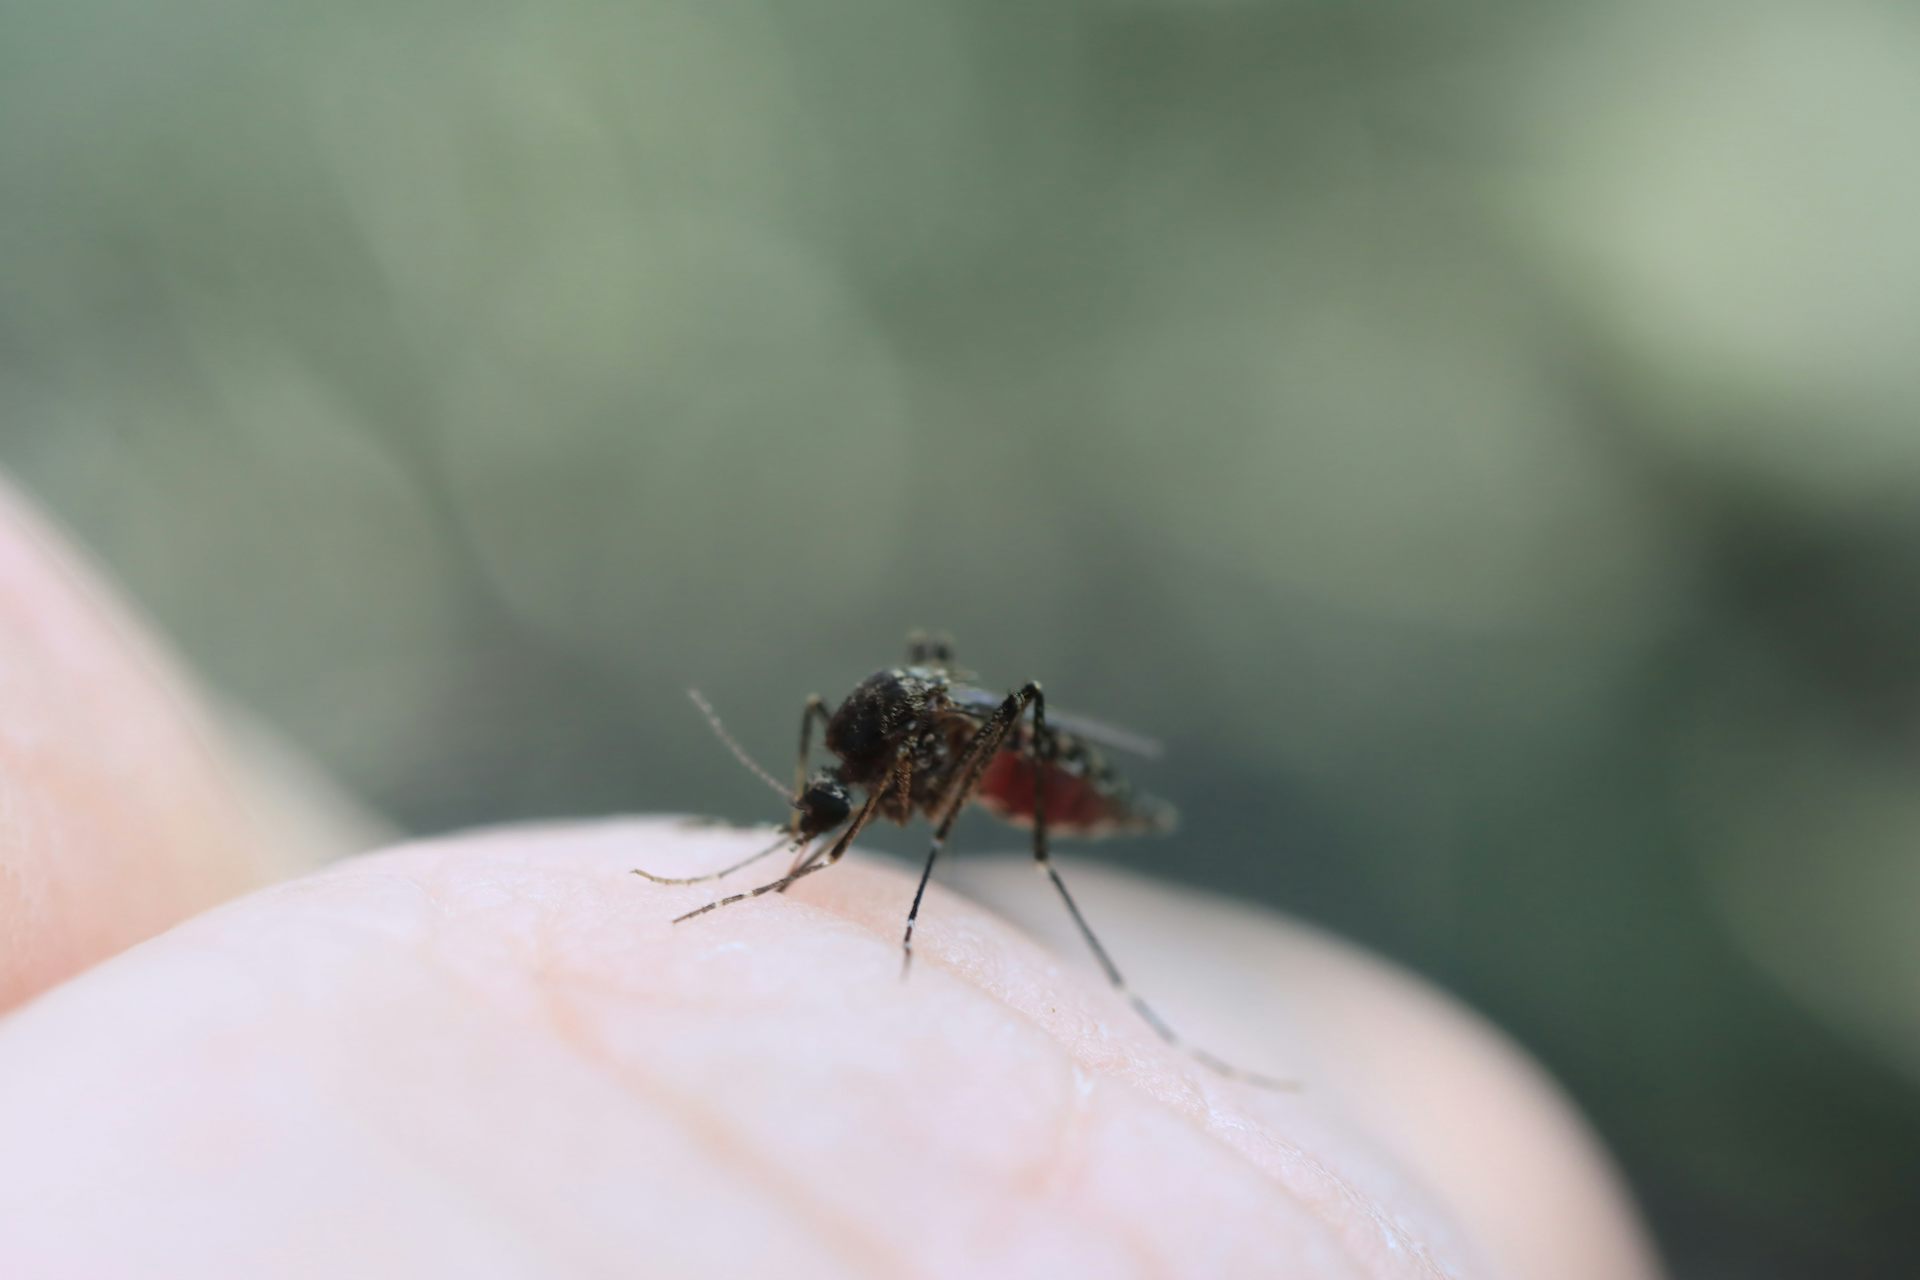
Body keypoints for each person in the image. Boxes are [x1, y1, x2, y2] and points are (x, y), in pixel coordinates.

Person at [0, 476, 1659, 1278]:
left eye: (818, 820)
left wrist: (942, 867)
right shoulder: (845, 752)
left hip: (1022, 774)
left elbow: (928, 756)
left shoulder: (915, 759)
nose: (825, 825)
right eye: (820, 820)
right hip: (953, 765)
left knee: (953, 753)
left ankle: (1085, 951)